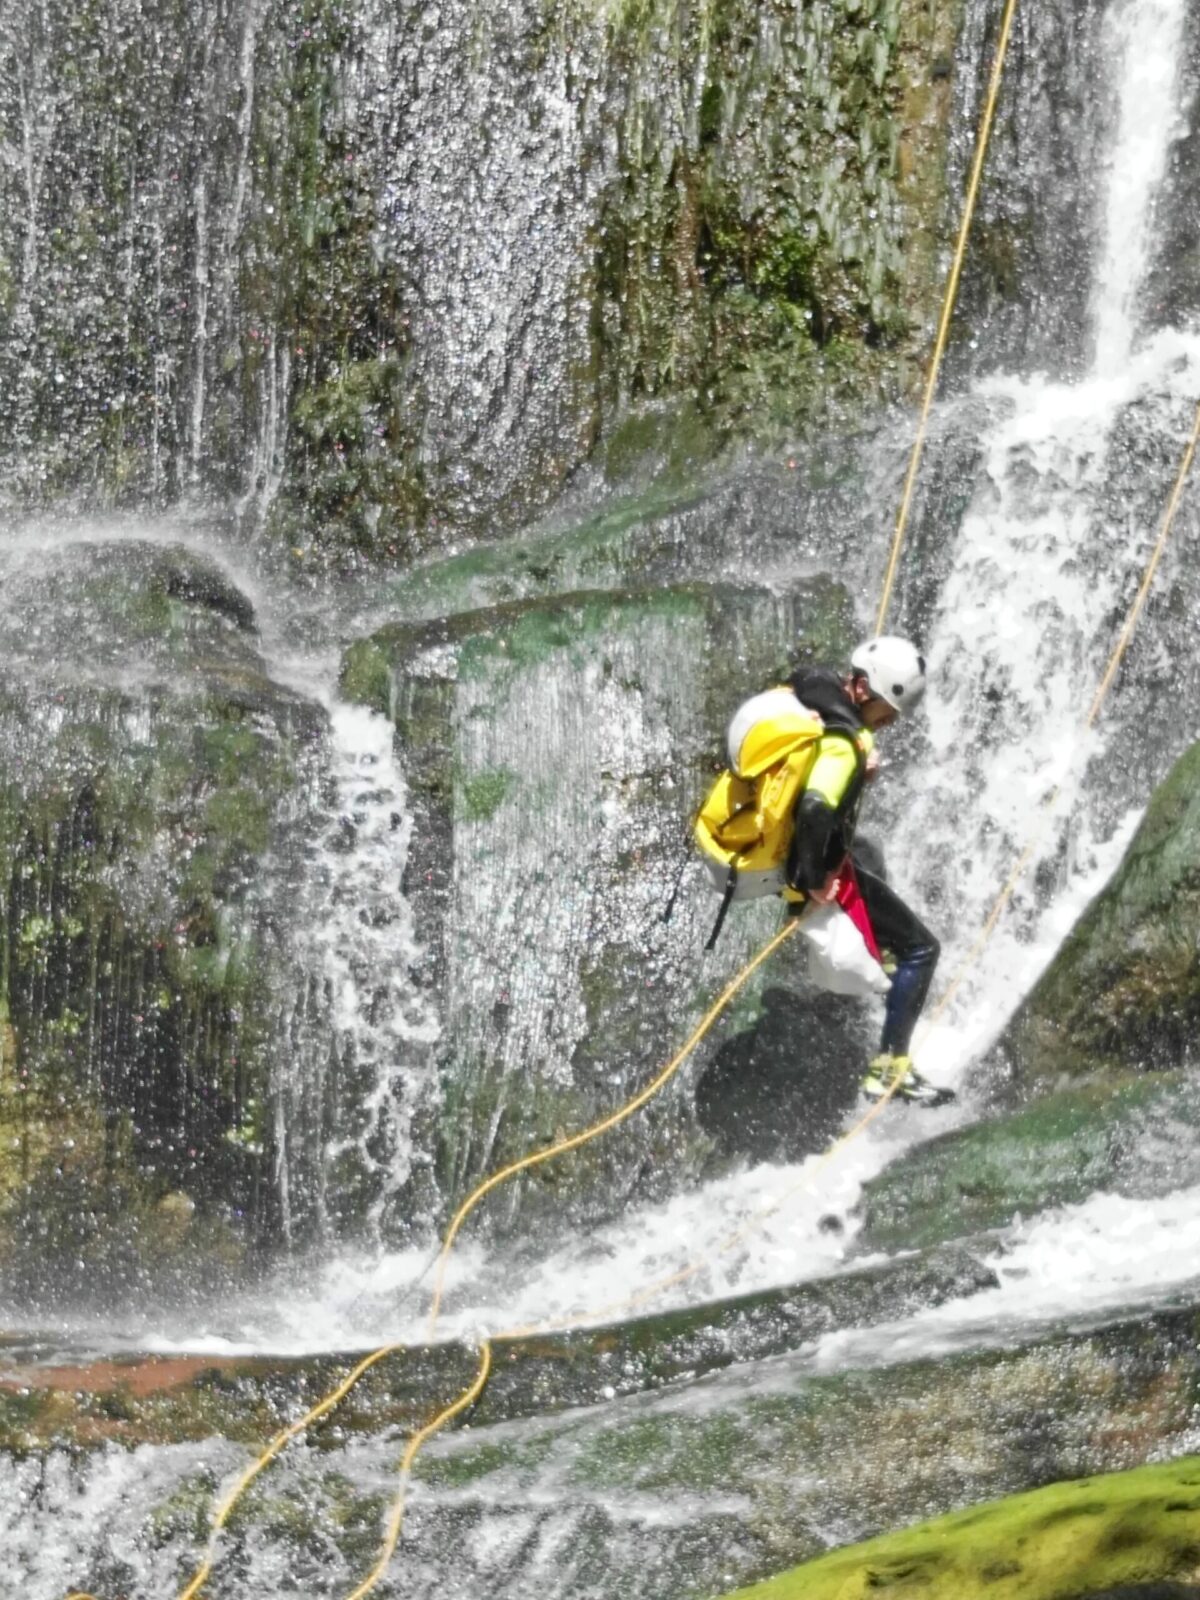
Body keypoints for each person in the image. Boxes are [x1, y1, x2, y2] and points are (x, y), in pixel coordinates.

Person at [786, 636, 951, 1107]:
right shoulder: (845, 741)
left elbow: (809, 679)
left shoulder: (824, 705)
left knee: (872, 856)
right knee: (923, 948)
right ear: (860, 689)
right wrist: (816, 879)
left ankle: (884, 960)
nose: (892, 721)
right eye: (887, 709)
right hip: (812, 865)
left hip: (810, 856)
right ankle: (890, 1068)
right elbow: (817, 807)